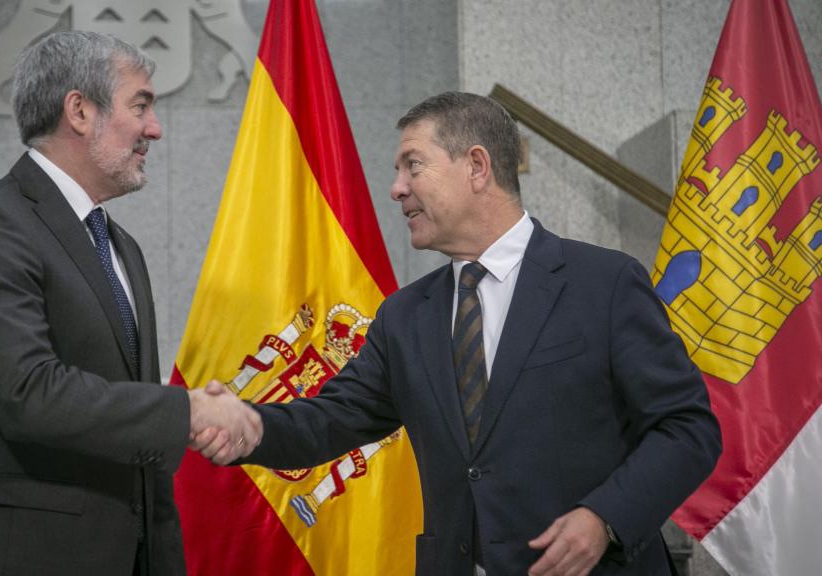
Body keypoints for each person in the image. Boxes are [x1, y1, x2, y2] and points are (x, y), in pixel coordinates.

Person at [194, 92, 722, 575]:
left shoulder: (603, 283)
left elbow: (688, 428)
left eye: (413, 165)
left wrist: (603, 517)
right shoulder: (404, 317)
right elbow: (331, 418)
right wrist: (249, 423)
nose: (396, 188)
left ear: (476, 166)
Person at [0, 31, 260, 576]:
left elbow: (125, 417)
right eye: (140, 105)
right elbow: (27, 392)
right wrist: (188, 411)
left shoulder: (121, 246)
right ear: (79, 110)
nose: (154, 128)